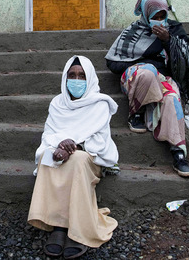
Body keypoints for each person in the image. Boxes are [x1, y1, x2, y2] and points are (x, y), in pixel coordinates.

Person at [28, 55, 119, 259]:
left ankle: (77, 230)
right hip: (60, 149)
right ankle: (58, 227)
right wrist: (60, 144)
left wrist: (75, 145)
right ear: (64, 77)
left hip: (89, 156)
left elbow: (99, 140)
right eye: (72, 75)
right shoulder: (57, 103)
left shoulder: (99, 104)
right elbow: (49, 134)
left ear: (90, 79)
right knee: (46, 156)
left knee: (76, 159)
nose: (76, 80)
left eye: (81, 76)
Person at [105, 0, 189, 177]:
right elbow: (113, 63)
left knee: (171, 97)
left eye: (163, 16)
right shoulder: (132, 32)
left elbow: (185, 61)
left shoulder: (174, 30)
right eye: (155, 17)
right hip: (136, 78)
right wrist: (144, 64)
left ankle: (178, 154)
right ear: (146, 15)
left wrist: (168, 41)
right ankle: (135, 113)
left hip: (163, 79)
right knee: (147, 72)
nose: (160, 20)